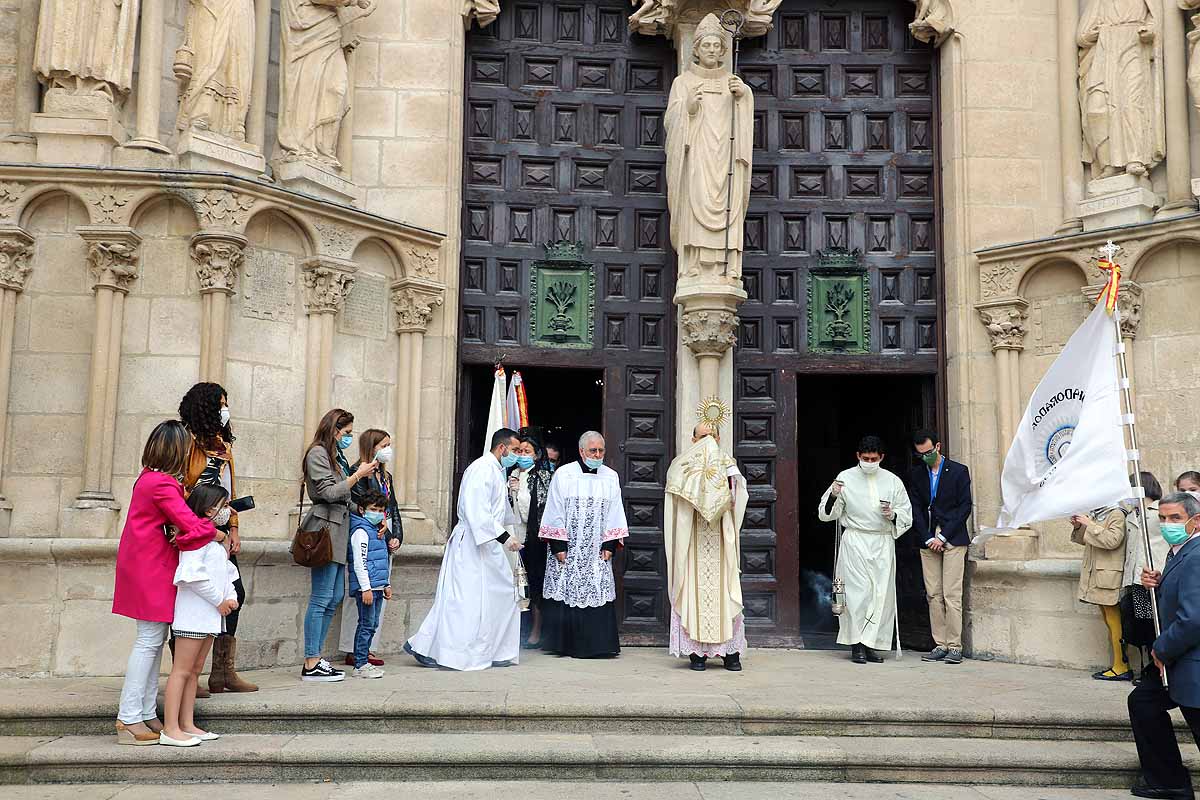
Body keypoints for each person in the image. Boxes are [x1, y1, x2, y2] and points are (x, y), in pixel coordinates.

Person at [111, 421, 219, 745]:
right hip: (151, 569)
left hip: (144, 566)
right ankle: (129, 716)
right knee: (148, 641)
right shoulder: (162, 484)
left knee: (153, 639)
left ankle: (144, 711)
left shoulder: (148, 478)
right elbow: (190, 524)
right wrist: (215, 531)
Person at [405, 428, 523, 671]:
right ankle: (445, 652)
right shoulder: (481, 469)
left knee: (501, 593)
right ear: (502, 448)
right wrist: (505, 537)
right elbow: (476, 510)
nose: (517, 456)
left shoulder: (496, 470)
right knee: (464, 601)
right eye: (514, 451)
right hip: (471, 544)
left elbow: (498, 510)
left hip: (486, 544)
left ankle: (496, 649)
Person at [178, 381, 256, 694]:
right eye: (221, 403)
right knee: (192, 598)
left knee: (235, 594)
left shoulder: (224, 446)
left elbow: (230, 491)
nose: (226, 409)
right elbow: (181, 489)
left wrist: (233, 528)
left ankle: (223, 672)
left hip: (222, 533)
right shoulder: (185, 443)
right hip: (194, 530)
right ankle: (188, 676)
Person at [1128, 492, 1200, 800]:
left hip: (1188, 660)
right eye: (1162, 518)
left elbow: (1193, 619)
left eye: (1175, 518)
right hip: (1175, 660)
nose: (1167, 524)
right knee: (1143, 703)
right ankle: (1168, 780)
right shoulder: (1179, 552)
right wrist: (1158, 584)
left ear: (1195, 521)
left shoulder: (1196, 556)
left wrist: (1161, 649)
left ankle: (1169, 781)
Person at [817, 435, 913, 664]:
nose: (870, 462)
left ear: (881, 458)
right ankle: (856, 645)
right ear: (858, 456)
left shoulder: (892, 481)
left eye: (874, 458)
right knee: (856, 594)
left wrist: (893, 515)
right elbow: (826, 513)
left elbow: (906, 515)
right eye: (866, 458)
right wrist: (833, 494)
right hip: (855, 541)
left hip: (881, 542)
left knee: (880, 595)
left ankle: (872, 644)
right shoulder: (845, 478)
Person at [299, 408, 378, 682]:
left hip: (338, 530)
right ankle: (311, 661)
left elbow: (344, 497)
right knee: (321, 598)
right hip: (324, 530)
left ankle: (316, 658)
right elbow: (327, 492)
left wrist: (368, 514)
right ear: (334, 430)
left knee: (333, 598)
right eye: (346, 433)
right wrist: (357, 475)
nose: (348, 438)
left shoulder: (335, 455)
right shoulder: (317, 453)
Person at [664, 422, 748, 671]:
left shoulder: (728, 463)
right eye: (703, 436)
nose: (708, 440)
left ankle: (729, 653)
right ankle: (697, 654)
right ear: (693, 440)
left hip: (721, 540)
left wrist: (732, 488)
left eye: (712, 436)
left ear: (720, 437)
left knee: (724, 593)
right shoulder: (682, 465)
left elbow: (738, 498)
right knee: (693, 593)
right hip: (693, 540)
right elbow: (675, 504)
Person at [538, 431, 629, 659]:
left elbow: (615, 512)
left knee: (595, 590)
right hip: (569, 549)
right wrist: (559, 546)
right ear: (581, 451)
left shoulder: (610, 476)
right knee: (567, 589)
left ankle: (597, 646)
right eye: (593, 451)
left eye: (601, 451)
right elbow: (555, 510)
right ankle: (565, 645)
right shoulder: (564, 474)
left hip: (596, 550)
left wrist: (609, 544)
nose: (597, 455)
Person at [162, 484, 239, 747]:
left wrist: (230, 596)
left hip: (209, 616)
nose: (228, 511)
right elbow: (190, 576)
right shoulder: (196, 540)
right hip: (194, 614)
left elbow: (226, 572)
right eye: (224, 505)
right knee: (181, 671)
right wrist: (219, 600)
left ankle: (187, 723)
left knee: (194, 671)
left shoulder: (216, 541)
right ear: (209, 509)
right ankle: (170, 727)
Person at [906, 429, 973, 665]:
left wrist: (942, 537)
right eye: (920, 454)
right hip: (927, 538)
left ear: (938, 446)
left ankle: (955, 646)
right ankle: (940, 644)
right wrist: (926, 537)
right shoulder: (916, 474)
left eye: (928, 452)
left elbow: (964, 507)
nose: (925, 457)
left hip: (952, 537)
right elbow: (915, 508)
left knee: (951, 594)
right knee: (933, 594)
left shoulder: (958, 471)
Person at [338, 429, 403, 667]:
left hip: (384, 537)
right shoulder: (360, 472)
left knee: (378, 592)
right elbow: (356, 504)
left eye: (389, 444)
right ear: (371, 447)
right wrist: (371, 526)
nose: (388, 449)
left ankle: (368, 648)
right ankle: (351, 648)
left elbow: (392, 508)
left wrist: (396, 535)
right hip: (367, 534)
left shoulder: (386, 476)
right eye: (384, 445)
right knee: (357, 593)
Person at [1070, 503, 1133, 680]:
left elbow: (1112, 541)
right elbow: (1088, 540)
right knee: (1109, 620)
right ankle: (1118, 664)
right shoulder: (1098, 514)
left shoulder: (1117, 514)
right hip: (1097, 575)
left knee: (1115, 622)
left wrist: (1089, 524)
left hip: (1109, 577)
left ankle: (1121, 666)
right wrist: (1079, 527)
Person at [508, 429, 553, 647]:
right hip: (513, 536)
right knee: (514, 583)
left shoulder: (543, 476)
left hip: (535, 539)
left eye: (528, 451)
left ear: (536, 455)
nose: (523, 454)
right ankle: (512, 630)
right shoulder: (511, 473)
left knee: (535, 584)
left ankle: (535, 632)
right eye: (520, 450)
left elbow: (537, 509)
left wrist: (519, 493)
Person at [347, 488, 392, 679]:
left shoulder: (377, 532)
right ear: (362, 510)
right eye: (373, 508)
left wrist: (386, 583)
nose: (377, 513)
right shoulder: (361, 532)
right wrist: (365, 588)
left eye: (380, 509)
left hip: (377, 586)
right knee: (366, 624)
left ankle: (363, 660)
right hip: (367, 588)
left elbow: (381, 560)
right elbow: (360, 562)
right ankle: (360, 664)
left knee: (372, 624)